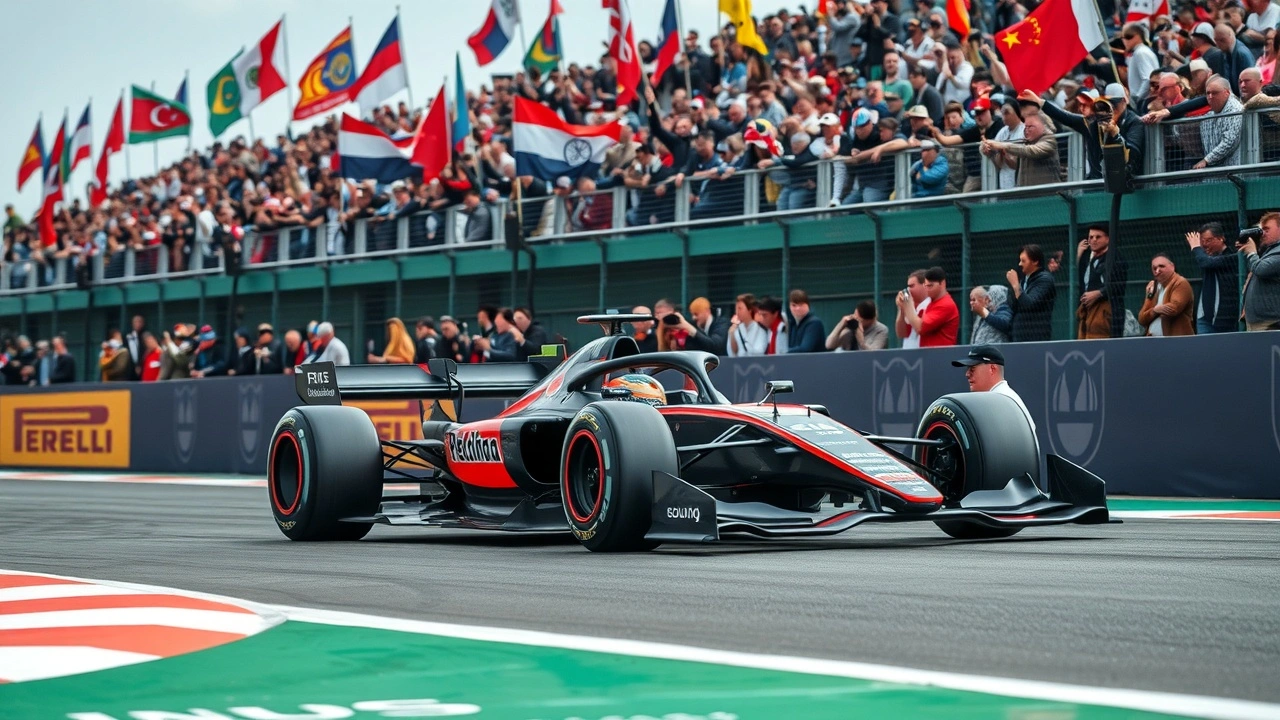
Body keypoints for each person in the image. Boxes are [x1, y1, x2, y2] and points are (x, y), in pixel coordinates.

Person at [950, 344, 1035, 432]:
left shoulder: (1000, 400)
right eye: (967, 369)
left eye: (972, 369)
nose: (967, 374)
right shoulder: (1002, 396)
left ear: (992, 369)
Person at [1076, 224, 1128, 339]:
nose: (1093, 240)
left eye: (1098, 237)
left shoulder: (1115, 258)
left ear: (1108, 238)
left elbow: (1118, 285)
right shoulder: (1091, 258)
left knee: (1099, 348)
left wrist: (1099, 293)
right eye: (1090, 237)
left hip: (1106, 312)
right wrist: (1078, 256)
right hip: (1087, 311)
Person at [1186, 224, 1239, 334]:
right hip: (1204, 317)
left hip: (1225, 319)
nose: (1204, 245)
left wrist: (1196, 248)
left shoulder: (1232, 256)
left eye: (1208, 240)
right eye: (1202, 242)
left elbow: (1206, 263)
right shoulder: (1207, 257)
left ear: (1221, 238)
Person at [1005, 244, 1057, 342]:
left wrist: (1016, 286)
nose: (1020, 264)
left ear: (1035, 261)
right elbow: (1012, 305)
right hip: (1019, 337)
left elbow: (1029, 304)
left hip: (1035, 338)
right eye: (1020, 260)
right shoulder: (1023, 280)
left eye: (1023, 261)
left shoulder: (1045, 280)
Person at [897, 266, 959, 347]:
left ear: (942, 283)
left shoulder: (946, 304)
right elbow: (902, 333)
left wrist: (908, 305)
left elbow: (920, 328)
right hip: (929, 355)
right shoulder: (932, 303)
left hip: (941, 355)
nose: (927, 289)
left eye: (930, 286)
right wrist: (903, 308)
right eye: (926, 286)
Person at [1138, 253, 1196, 336]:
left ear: (1172, 266)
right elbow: (1142, 319)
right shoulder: (1153, 287)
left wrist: (1155, 311)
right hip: (1152, 342)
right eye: (1154, 268)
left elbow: (1173, 309)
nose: (1157, 271)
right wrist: (1154, 310)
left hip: (1176, 341)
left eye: (1161, 266)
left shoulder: (1180, 283)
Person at [1241, 212, 1280, 331]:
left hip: (1271, 322)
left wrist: (1252, 253)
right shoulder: (1268, 251)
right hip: (1257, 321)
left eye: (1266, 229)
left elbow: (1261, 269)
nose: (1262, 233)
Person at [895, 269, 931, 349]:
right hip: (909, 354)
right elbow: (901, 333)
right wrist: (901, 309)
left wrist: (909, 307)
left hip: (925, 354)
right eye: (908, 286)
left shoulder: (931, 304)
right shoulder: (912, 306)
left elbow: (920, 328)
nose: (908, 290)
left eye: (912, 286)